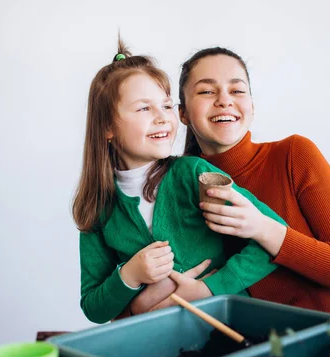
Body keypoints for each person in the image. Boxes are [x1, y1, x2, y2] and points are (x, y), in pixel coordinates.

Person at [133, 47, 330, 319]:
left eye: (237, 90)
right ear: (182, 113)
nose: (224, 100)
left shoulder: (294, 154)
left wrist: (262, 228)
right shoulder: (175, 186)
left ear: (252, 107)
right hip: (246, 341)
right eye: (207, 91)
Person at [72, 39, 286, 324]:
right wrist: (130, 275)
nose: (163, 118)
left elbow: (271, 236)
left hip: (226, 330)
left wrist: (210, 288)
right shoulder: (98, 207)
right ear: (108, 127)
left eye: (166, 105)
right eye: (144, 109)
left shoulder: (192, 174)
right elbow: (93, 308)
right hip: (157, 348)